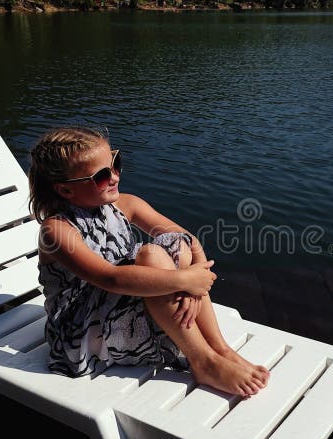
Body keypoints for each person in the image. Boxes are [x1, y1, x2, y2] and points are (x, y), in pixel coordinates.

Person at [28, 126, 269, 397]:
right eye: (102, 176)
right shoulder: (57, 230)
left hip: (121, 310)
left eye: (115, 164)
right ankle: (203, 361)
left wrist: (192, 280)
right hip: (82, 333)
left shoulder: (125, 205)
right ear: (65, 190)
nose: (115, 177)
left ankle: (219, 349)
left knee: (175, 245)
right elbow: (110, 278)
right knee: (150, 255)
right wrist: (183, 280)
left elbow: (186, 238)